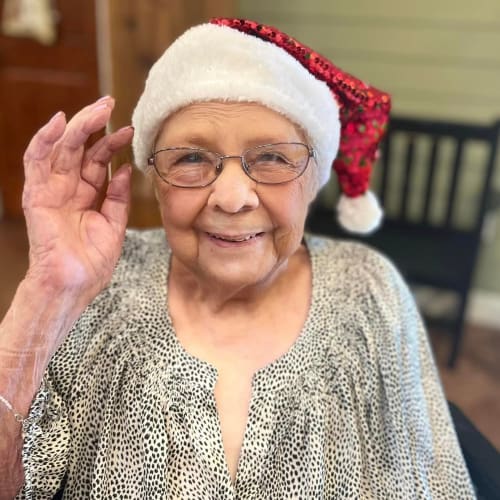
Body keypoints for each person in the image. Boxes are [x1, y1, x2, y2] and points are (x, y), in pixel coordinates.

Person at [0, 17, 475, 499]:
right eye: (189, 159)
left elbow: (438, 484)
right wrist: (45, 294)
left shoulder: (370, 292)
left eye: (272, 157)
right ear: (154, 180)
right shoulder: (97, 291)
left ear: (314, 181)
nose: (231, 197)